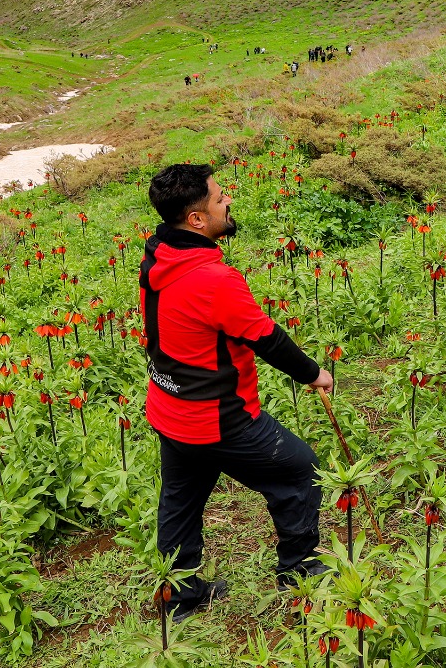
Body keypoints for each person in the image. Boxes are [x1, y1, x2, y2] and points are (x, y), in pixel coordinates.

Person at [140, 164, 334, 620]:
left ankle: (180, 598)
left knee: (180, 502)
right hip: (218, 416)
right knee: (301, 473)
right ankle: (300, 573)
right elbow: (265, 338)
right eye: (219, 197)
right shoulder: (214, 280)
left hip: (170, 407)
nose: (228, 201)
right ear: (197, 221)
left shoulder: (161, 254)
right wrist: (314, 374)